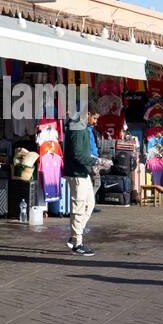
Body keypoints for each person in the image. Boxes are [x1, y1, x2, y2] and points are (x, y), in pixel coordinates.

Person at [64, 105, 100, 256]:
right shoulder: (78, 128)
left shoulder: (83, 127)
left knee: (89, 204)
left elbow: (82, 152)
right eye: (95, 118)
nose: (96, 122)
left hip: (82, 172)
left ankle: (75, 236)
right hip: (77, 172)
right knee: (79, 207)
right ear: (88, 114)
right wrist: (96, 161)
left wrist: (94, 161)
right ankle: (77, 242)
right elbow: (78, 154)